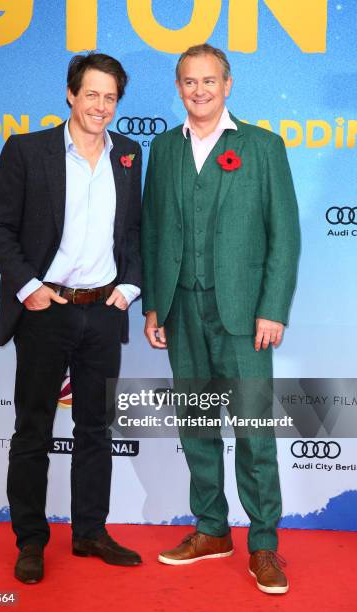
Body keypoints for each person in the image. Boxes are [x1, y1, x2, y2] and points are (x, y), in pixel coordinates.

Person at [142, 44, 300, 594]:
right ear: (179, 87)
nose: (200, 91)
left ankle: (263, 545)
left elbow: (285, 235)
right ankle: (211, 530)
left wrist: (272, 309)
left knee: (254, 432)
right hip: (182, 311)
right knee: (199, 427)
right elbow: (155, 230)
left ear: (227, 85)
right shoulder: (162, 148)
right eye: (189, 82)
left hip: (244, 317)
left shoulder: (262, 146)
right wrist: (156, 304)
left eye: (210, 81)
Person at [0, 53, 143, 583]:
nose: (100, 106)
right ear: (71, 95)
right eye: (91, 94)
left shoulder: (129, 155)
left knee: (95, 428)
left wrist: (129, 287)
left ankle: (90, 532)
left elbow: (135, 232)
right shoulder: (28, 151)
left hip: (102, 312)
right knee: (33, 430)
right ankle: (30, 541)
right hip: (45, 310)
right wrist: (28, 289)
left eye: (110, 97)